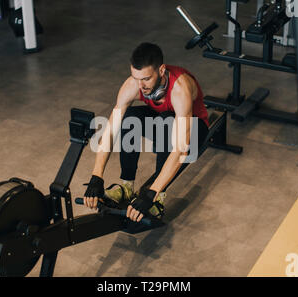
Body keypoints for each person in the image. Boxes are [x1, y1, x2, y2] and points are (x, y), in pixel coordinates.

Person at [83, 42, 209, 223]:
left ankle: (159, 198)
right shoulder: (133, 84)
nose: (140, 85)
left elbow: (181, 149)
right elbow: (111, 130)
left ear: (162, 70)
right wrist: (96, 176)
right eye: (136, 78)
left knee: (167, 121)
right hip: (165, 121)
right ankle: (127, 186)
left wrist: (151, 193)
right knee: (129, 117)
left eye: (146, 79)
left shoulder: (180, 89)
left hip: (195, 130)